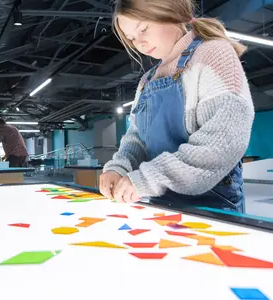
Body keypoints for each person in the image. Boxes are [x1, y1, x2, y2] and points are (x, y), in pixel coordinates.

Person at [99, 0, 254, 213]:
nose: (140, 43)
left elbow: (223, 143)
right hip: (160, 200)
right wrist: (118, 168)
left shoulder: (213, 53)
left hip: (211, 203)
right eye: (132, 38)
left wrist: (147, 178)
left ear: (169, 11)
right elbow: (136, 140)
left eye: (143, 28)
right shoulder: (147, 80)